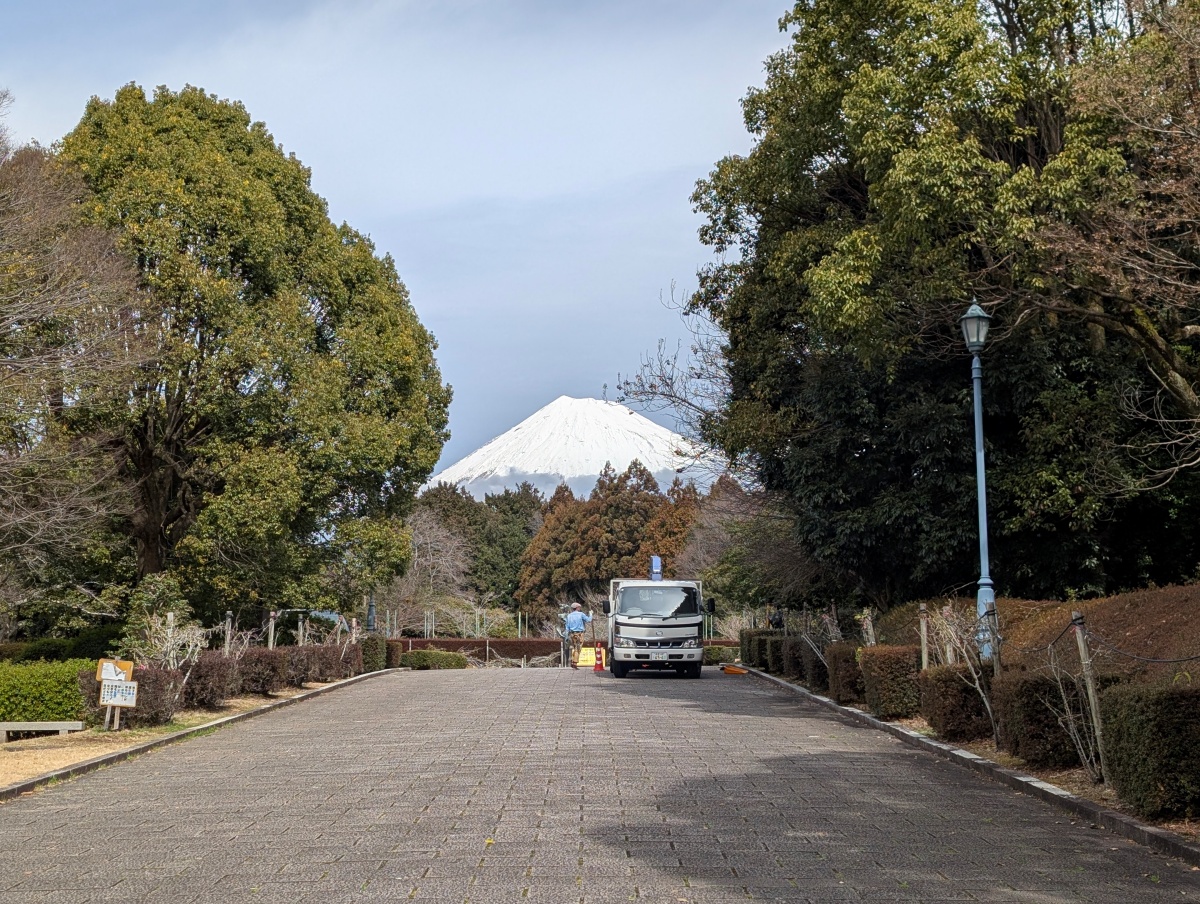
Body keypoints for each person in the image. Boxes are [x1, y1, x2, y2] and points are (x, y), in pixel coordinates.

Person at [565, 602, 593, 669]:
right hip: (580, 634)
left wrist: (566, 636)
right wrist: (591, 614)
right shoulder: (581, 614)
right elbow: (589, 620)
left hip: (572, 634)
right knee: (578, 648)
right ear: (577, 608)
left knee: (575, 648)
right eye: (579, 607)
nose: (580, 608)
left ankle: (573, 661)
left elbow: (567, 627)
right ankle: (575, 663)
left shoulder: (569, 616)